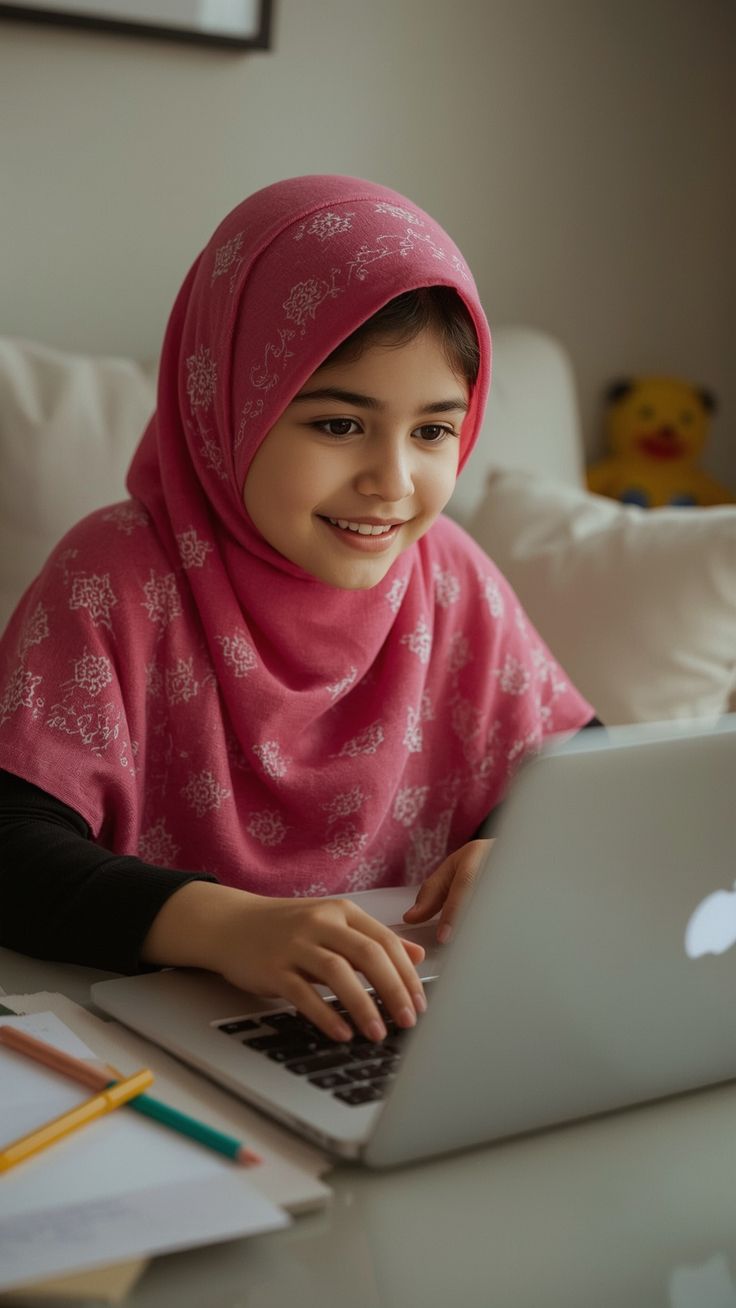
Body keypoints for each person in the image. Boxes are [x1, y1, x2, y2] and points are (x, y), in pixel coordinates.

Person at [0, 175, 596, 1047]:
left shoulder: (446, 574)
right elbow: (11, 847)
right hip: (159, 1035)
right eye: (340, 425)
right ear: (228, 406)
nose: (392, 481)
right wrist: (225, 927)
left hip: (405, 1023)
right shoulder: (114, 576)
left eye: (433, 431)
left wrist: (517, 849)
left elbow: (582, 767)